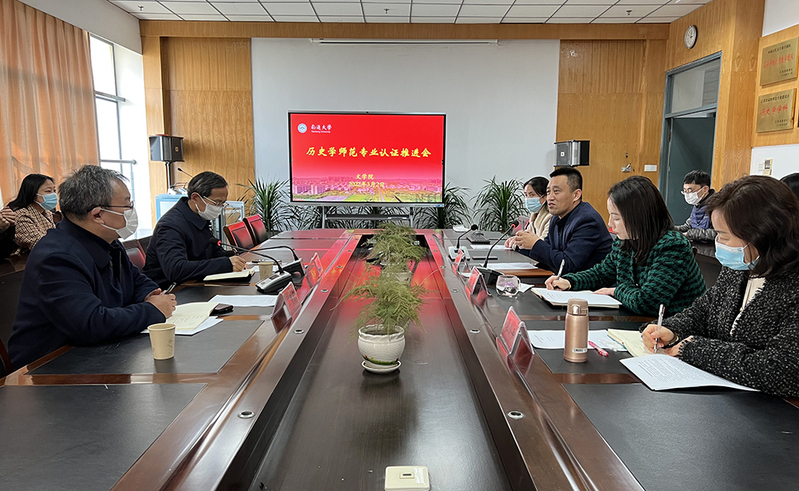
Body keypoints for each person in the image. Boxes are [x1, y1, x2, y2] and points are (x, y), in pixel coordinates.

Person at [642, 175, 799, 397]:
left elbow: (784, 370)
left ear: (762, 234)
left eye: (724, 236)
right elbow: (705, 311)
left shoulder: (791, 284)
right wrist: (672, 330)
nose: (719, 244)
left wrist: (696, 349)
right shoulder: (740, 267)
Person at [8, 165, 176, 369]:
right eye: (127, 205)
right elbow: (91, 323)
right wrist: (152, 309)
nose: (131, 211)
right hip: (50, 368)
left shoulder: (108, 241)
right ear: (97, 215)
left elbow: (138, 280)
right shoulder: (57, 257)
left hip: (102, 354)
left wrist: (150, 295)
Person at [545, 176, 705, 317]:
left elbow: (648, 303)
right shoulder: (625, 242)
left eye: (616, 218)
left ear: (639, 217)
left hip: (673, 329)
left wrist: (616, 290)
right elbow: (602, 273)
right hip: (639, 321)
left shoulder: (672, 246)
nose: (610, 224)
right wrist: (569, 282)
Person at [143, 171, 245, 288]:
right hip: (171, 291)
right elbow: (176, 270)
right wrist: (225, 264)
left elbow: (213, 253)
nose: (219, 208)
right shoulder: (170, 226)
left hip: (196, 284)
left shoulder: (199, 217)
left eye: (223, 203)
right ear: (196, 198)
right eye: (217, 203)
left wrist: (233, 258)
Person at [513, 167, 612, 274]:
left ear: (576, 195)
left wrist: (535, 244)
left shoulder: (587, 220)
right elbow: (548, 254)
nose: (550, 198)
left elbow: (569, 264)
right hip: (563, 280)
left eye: (556, 191)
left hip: (588, 282)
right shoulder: (556, 217)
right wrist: (521, 244)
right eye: (548, 192)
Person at [7, 173, 57, 251]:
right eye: (48, 191)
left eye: (54, 190)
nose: (53, 194)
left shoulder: (47, 212)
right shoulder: (22, 215)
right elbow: (39, 244)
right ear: (33, 193)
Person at [504, 176, 552, 249]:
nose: (528, 198)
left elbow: (542, 244)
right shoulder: (534, 216)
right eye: (526, 195)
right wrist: (514, 239)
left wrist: (516, 244)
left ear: (545, 196)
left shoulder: (551, 217)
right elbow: (526, 236)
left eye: (532, 194)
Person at [675, 170, 716, 242]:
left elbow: (718, 233)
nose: (687, 194)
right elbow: (688, 226)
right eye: (685, 191)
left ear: (705, 189)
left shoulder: (717, 206)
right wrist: (671, 228)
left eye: (690, 191)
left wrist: (689, 234)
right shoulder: (698, 204)